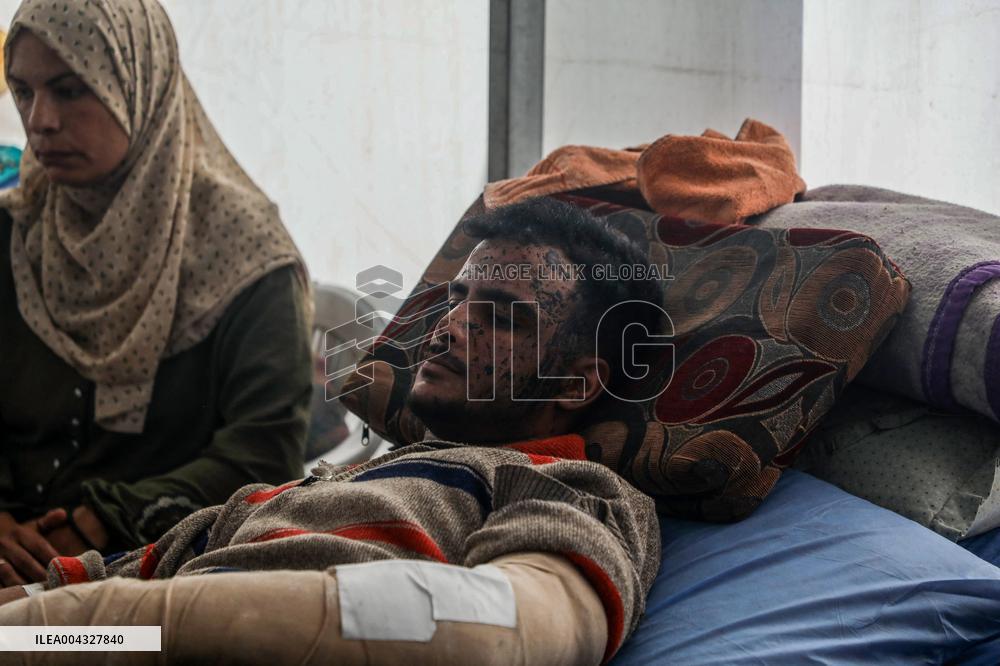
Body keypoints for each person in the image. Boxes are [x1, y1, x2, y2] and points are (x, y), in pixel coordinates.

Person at [0, 198, 666, 664]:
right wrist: (62, 624)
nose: (449, 326)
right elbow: (79, 596)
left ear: (577, 384)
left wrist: (91, 631)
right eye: (456, 299)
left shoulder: (571, 492)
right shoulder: (300, 492)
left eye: (502, 315)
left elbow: (489, 635)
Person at [0, 0, 313, 584]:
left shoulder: (243, 254)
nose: (39, 120)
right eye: (23, 91)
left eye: (70, 90)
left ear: (141, 83)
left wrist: (95, 525)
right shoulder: (16, 232)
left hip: (160, 576)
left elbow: (264, 455)